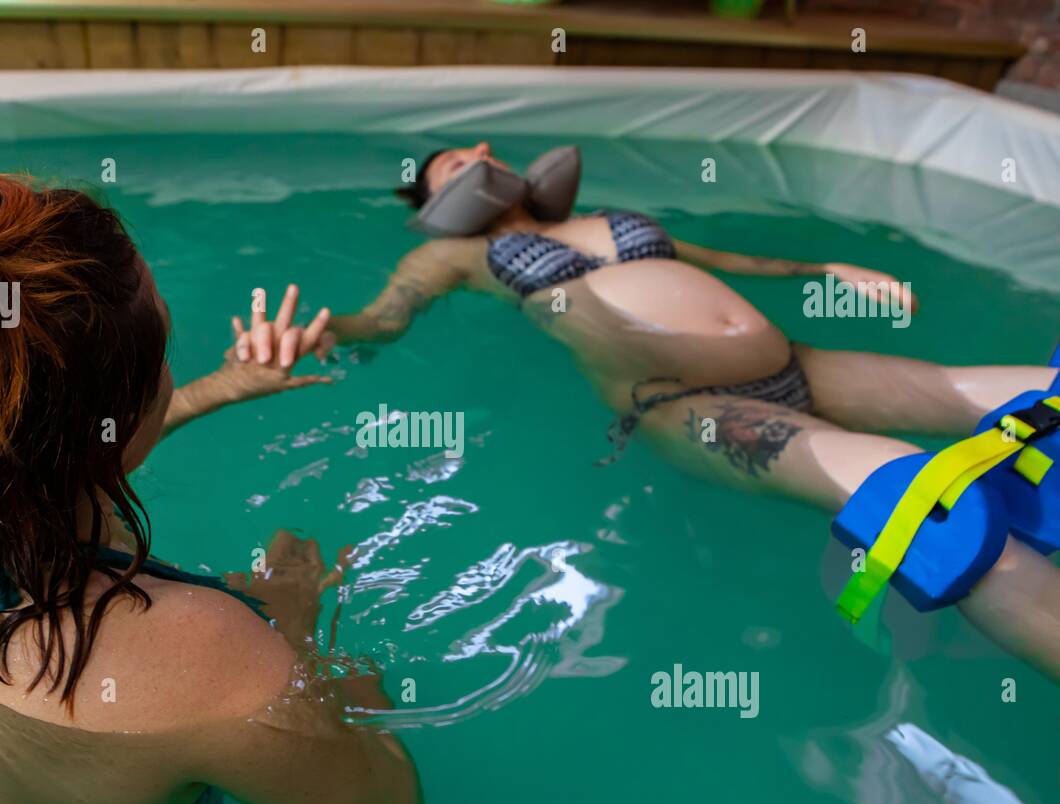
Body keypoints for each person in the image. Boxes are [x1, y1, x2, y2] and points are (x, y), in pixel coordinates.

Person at [0, 174, 422, 804]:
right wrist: (298, 629)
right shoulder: (211, 656)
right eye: (164, 350)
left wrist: (223, 386)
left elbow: (27, 459)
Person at [330, 142, 1060, 680]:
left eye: (480, 147)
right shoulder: (456, 254)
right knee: (927, 504)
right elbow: (385, 321)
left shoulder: (606, 218)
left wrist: (828, 269)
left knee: (1028, 394)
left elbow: (727, 262)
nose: (484, 154)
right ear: (436, 207)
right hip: (691, 407)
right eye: (458, 164)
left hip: (795, 365)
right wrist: (324, 333)